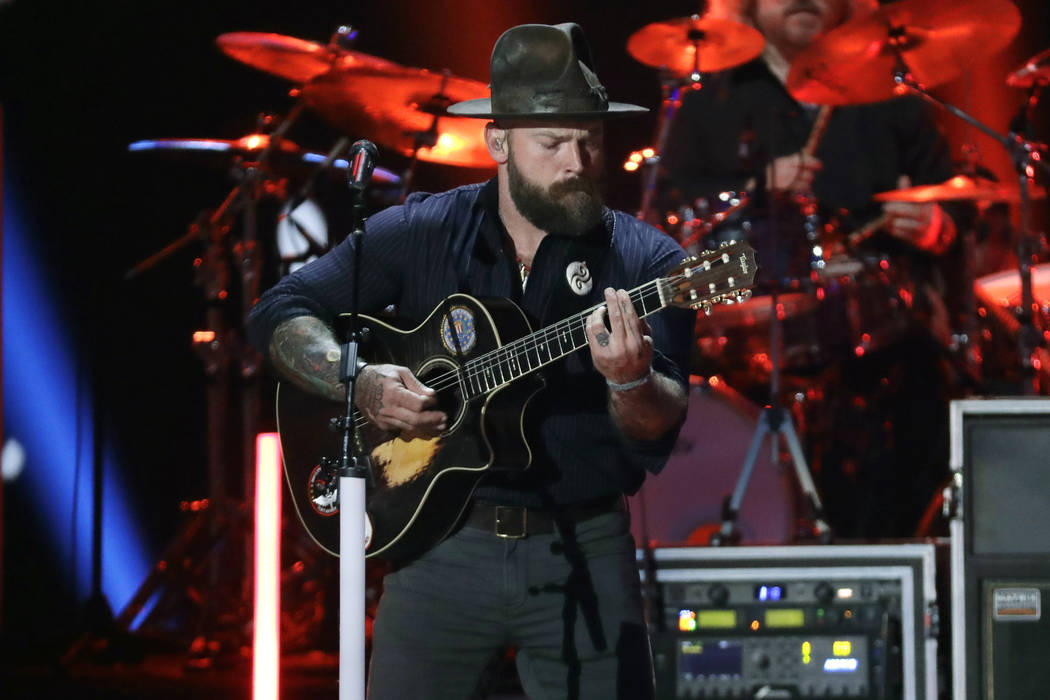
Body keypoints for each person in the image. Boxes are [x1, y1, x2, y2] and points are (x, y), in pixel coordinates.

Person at [247, 23, 695, 699]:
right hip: (438, 548)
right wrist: (360, 381)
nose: (577, 160)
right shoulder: (420, 229)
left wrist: (630, 379)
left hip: (585, 545)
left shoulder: (647, 261)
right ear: (498, 142)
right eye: (552, 143)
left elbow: (657, 423)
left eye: (590, 138)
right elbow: (279, 311)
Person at [661, 0, 964, 539]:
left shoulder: (892, 94)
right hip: (747, 338)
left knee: (923, 398)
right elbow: (672, 215)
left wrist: (937, 223)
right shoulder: (709, 101)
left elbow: (958, 191)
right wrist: (754, 191)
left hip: (881, 339)